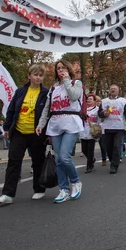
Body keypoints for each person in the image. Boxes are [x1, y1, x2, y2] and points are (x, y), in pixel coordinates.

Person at [0, 64, 49, 204]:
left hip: (36, 133)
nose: (38, 77)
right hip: (19, 131)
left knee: (37, 161)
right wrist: (7, 128)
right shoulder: (20, 91)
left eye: (40, 75)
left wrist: (48, 133)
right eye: (35, 74)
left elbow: (48, 113)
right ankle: (8, 194)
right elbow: (12, 110)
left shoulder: (46, 93)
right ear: (29, 76)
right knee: (13, 161)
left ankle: (39, 189)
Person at [37, 60, 84, 203]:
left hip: (71, 123)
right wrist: (41, 124)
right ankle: (63, 189)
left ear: (68, 69)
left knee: (64, 156)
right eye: (58, 68)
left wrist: (67, 81)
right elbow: (47, 108)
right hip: (55, 123)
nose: (61, 70)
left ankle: (75, 182)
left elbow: (74, 96)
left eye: (63, 67)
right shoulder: (53, 89)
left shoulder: (77, 83)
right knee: (58, 160)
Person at [98, 84, 126, 174]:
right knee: (109, 148)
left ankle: (114, 166)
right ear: (109, 91)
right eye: (111, 88)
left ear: (118, 91)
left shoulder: (123, 101)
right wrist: (103, 114)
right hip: (107, 127)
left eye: (115, 89)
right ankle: (113, 160)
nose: (113, 90)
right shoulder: (104, 101)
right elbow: (99, 113)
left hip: (119, 128)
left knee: (117, 146)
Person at [80, 94, 99, 173]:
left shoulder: (97, 109)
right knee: (84, 150)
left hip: (92, 132)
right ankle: (92, 159)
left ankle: (89, 166)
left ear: (94, 101)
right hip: (83, 131)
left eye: (91, 99)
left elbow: (100, 120)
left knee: (90, 150)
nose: (88, 100)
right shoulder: (82, 109)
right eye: (88, 99)